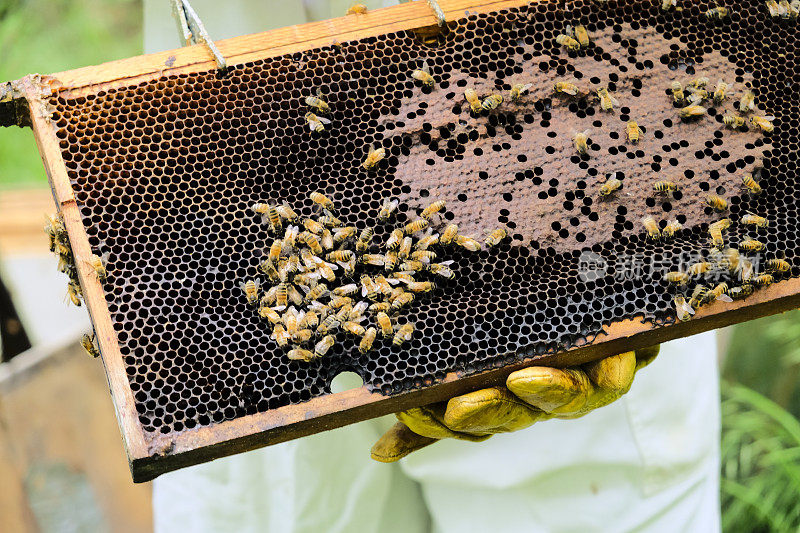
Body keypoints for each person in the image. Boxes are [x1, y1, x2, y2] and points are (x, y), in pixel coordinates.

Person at [145, 2, 721, 531]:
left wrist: (635, 266)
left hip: (559, 136)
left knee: (572, 495)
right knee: (283, 504)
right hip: (224, 115)